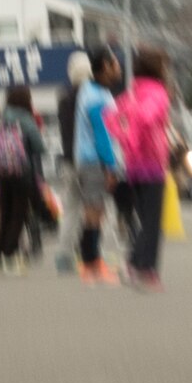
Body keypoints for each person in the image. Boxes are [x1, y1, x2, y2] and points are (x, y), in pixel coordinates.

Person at [112, 47, 173, 291]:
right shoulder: (158, 93)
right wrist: (141, 137)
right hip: (152, 163)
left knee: (142, 218)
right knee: (153, 221)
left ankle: (135, 264)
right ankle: (145, 269)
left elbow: (111, 117)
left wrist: (127, 140)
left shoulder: (132, 92)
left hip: (133, 165)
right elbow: (148, 119)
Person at [71, 49, 125, 285]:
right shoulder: (96, 96)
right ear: (104, 65)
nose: (118, 68)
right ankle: (91, 263)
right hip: (94, 160)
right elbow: (101, 134)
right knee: (94, 212)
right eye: (114, 63)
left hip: (88, 159)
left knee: (94, 212)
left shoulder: (92, 90)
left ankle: (91, 262)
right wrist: (110, 166)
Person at [0, 86, 47, 274]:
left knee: (5, 211)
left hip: (2, 170)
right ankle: (10, 254)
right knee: (19, 213)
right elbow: (39, 146)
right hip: (22, 171)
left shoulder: (2, 116)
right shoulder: (25, 118)